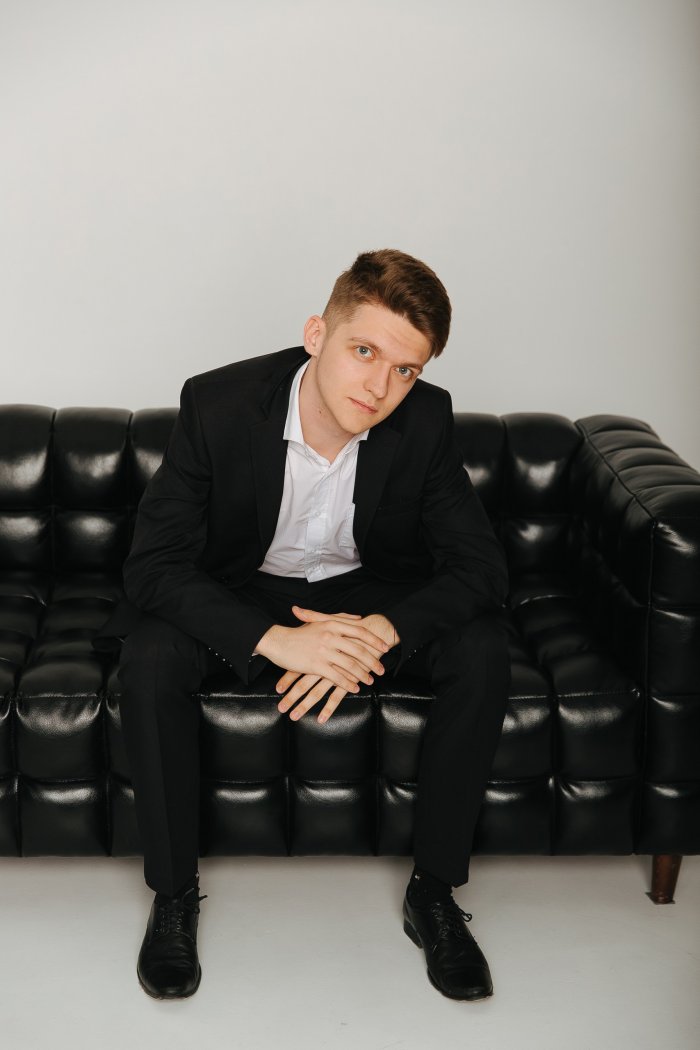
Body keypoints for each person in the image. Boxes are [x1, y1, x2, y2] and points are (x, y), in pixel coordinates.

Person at [93, 247, 511, 1002]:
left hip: (365, 592)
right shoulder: (217, 404)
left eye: (405, 369)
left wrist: (380, 630)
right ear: (317, 334)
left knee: (480, 647)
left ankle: (435, 892)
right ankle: (174, 895)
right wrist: (279, 642)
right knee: (151, 655)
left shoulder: (425, 420)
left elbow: (481, 569)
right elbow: (152, 566)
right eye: (364, 352)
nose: (380, 387)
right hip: (244, 587)